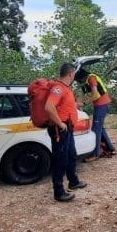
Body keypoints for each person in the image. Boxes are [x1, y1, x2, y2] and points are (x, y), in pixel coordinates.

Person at [44, 62, 87, 202]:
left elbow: (65, 105)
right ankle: (59, 192)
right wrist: (60, 123)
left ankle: (73, 182)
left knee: (71, 155)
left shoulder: (66, 88)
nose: (74, 76)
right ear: (70, 74)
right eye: (74, 73)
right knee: (60, 160)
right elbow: (49, 107)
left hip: (67, 128)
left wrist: (77, 105)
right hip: (60, 130)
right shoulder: (58, 88)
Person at [75, 68, 116, 162]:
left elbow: (96, 95)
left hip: (102, 105)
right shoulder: (85, 82)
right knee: (100, 127)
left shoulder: (91, 78)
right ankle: (110, 147)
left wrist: (84, 103)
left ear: (81, 77)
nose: (77, 82)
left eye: (77, 80)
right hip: (99, 105)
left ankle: (95, 154)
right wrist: (77, 103)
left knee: (96, 129)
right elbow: (83, 95)